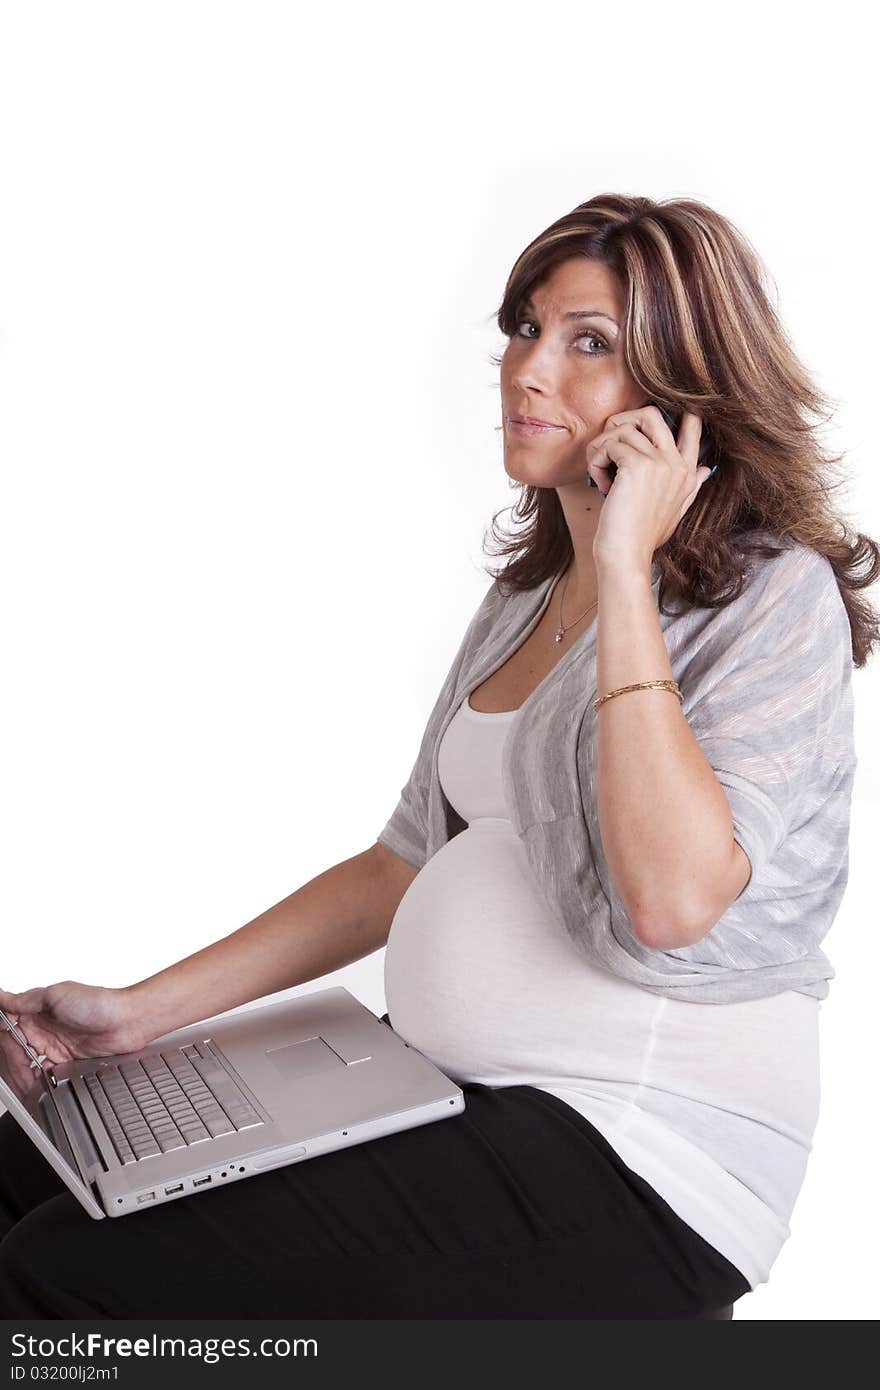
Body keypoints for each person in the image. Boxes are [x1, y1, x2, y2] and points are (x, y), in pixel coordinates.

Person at [1, 193, 877, 1319]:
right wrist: (137, 1014)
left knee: (70, 1276)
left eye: (591, 345)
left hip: (646, 1150)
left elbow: (669, 901)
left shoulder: (770, 595)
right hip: (453, 1092)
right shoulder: (523, 596)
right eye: (526, 327)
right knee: (29, 1171)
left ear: (685, 391)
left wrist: (624, 570)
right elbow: (403, 865)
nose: (528, 370)